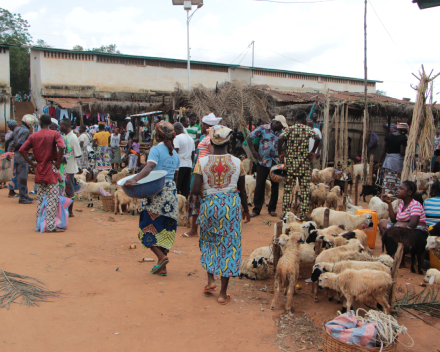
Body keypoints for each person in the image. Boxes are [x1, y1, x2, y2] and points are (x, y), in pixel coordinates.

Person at [192, 125, 250, 304]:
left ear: (211, 140)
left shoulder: (201, 162)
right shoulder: (237, 162)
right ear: (228, 141)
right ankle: (223, 294)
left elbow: (194, 189)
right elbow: (242, 190)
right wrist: (246, 210)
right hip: (231, 207)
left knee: (209, 241)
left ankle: (210, 280)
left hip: (210, 205)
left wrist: (208, 195)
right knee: (229, 245)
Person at [124, 121, 180, 276]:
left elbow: (149, 167)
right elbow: (175, 176)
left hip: (156, 194)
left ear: (157, 135)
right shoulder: (175, 154)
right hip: (171, 195)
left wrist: (135, 180)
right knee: (164, 229)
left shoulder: (156, 150)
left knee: (147, 229)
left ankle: (161, 257)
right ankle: (162, 266)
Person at [19, 114, 66, 232]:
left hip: (40, 169)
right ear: (50, 123)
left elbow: (22, 150)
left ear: (40, 124)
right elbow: (61, 147)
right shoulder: (55, 134)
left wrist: (32, 164)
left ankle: (39, 224)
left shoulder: (34, 135)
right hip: (51, 168)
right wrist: (58, 162)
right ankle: (50, 226)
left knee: (40, 198)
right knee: (52, 198)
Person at [183, 113, 222, 238]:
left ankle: (197, 229)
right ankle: (195, 229)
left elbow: (213, 155)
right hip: (199, 170)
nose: (202, 126)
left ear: (209, 126)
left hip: (203, 172)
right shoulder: (205, 137)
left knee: (198, 198)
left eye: (204, 125)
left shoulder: (209, 139)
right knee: (196, 199)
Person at [279, 111, 320, 221]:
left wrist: (281, 153)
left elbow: (279, 139)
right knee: (305, 190)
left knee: (288, 189)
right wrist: (312, 151)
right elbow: (318, 138)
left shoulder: (289, 129)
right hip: (304, 164)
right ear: (304, 119)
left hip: (291, 164)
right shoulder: (307, 129)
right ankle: (303, 214)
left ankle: (285, 214)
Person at [246, 116, 285, 218]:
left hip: (275, 162)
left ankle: (272, 209)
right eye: (281, 125)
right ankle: (256, 210)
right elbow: (249, 137)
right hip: (263, 161)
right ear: (276, 123)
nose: (282, 128)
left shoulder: (282, 132)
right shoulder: (262, 128)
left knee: (275, 185)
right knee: (259, 185)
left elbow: (285, 143)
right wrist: (253, 152)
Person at [7, 115, 35, 203]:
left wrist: (8, 152)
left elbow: (8, 140)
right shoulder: (26, 131)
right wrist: (15, 150)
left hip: (16, 157)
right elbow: (20, 144)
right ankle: (22, 197)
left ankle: (25, 195)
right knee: (23, 178)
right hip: (22, 157)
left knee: (20, 177)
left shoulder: (17, 129)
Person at [378, 123, 409, 197]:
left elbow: (384, 149)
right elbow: (402, 152)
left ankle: (386, 196)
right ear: (404, 131)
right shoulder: (403, 138)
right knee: (397, 181)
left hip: (388, 162)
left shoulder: (388, 136)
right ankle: (395, 198)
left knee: (387, 180)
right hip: (398, 163)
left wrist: (380, 161)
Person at [60, 119, 82, 217]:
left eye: (61, 125)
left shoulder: (73, 138)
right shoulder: (64, 137)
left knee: (70, 190)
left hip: (69, 168)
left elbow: (78, 154)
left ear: (65, 126)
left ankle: (70, 211)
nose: (60, 127)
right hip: (63, 168)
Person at [173, 122, 195, 198]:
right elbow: (193, 153)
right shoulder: (191, 139)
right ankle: (185, 205)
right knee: (185, 188)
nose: (173, 132)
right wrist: (191, 164)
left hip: (179, 165)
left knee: (177, 186)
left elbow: (175, 152)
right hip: (188, 165)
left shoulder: (177, 138)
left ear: (178, 129)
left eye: (174, 130)